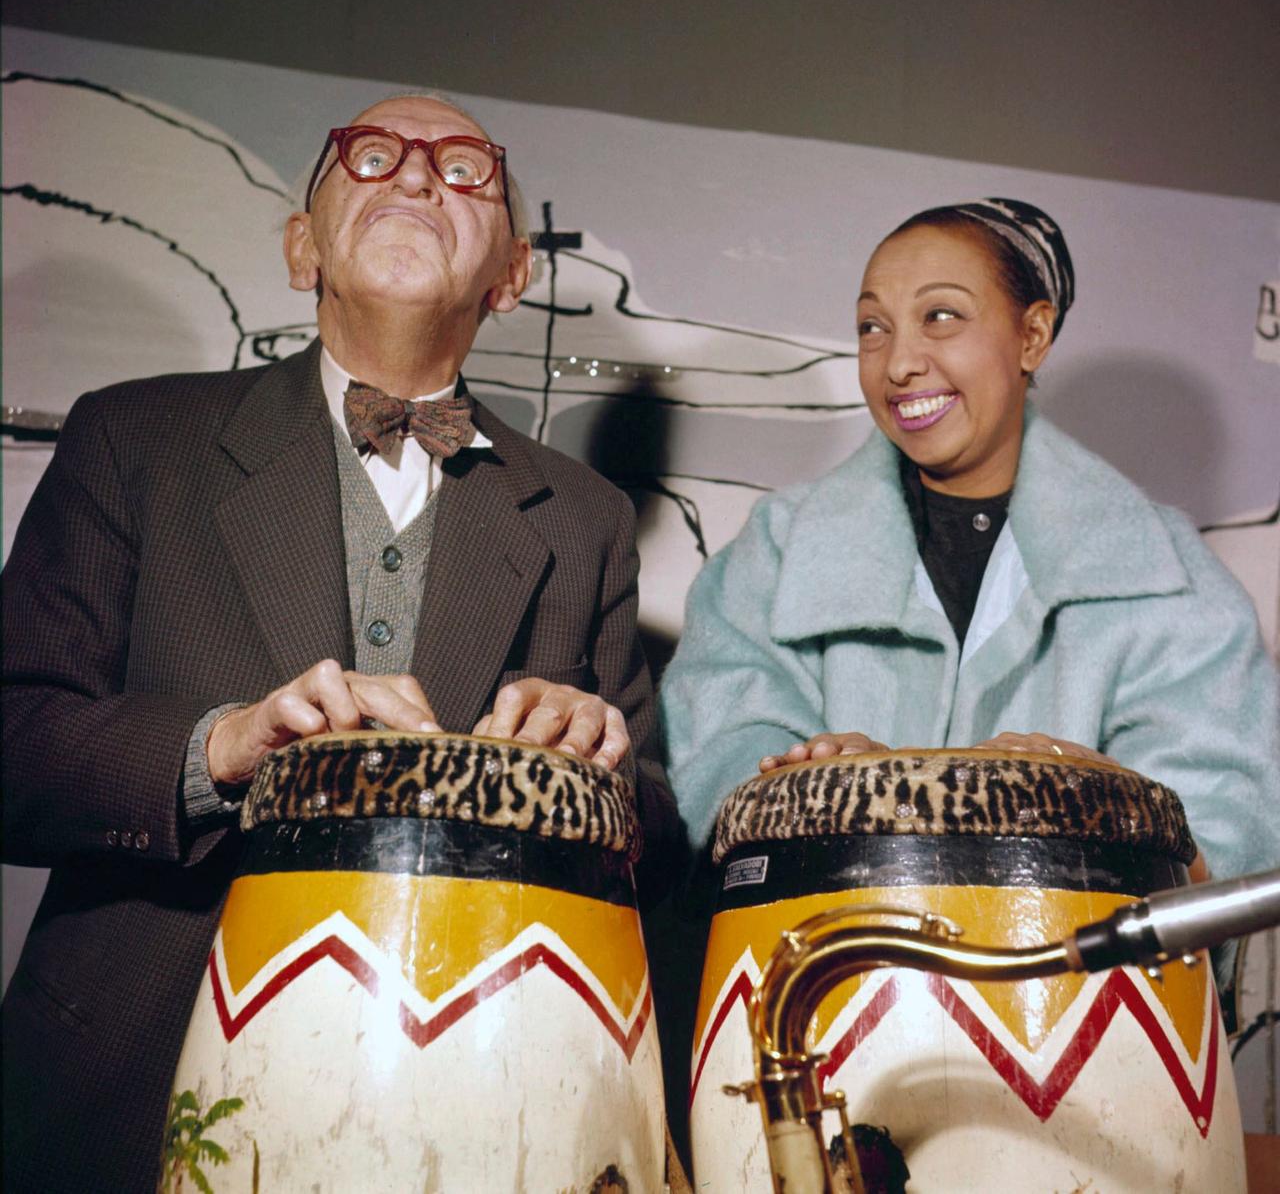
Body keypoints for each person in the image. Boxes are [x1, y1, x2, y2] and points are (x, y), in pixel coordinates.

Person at [1, 94, 679, 1192]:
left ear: (509, 276)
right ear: (300, 245)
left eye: (464, 169)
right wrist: (217, 747)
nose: (415, 177)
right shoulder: (131, 438)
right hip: (120, 1083)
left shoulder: (585, 517)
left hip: (464, 1100)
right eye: (372, 156)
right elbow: (11, 741)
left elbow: (652, 832)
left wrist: (599, 775)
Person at [662, 198, 1279, 890]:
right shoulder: (777, 552)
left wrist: (1098, 803)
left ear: (1033, 335)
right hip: (821, 978)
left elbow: (1224, 845)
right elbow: (718, 775)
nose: (899, 363)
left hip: (1075, 992)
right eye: (873, 327)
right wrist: (821, 794)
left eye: (941, 316)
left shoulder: (1164, 575)